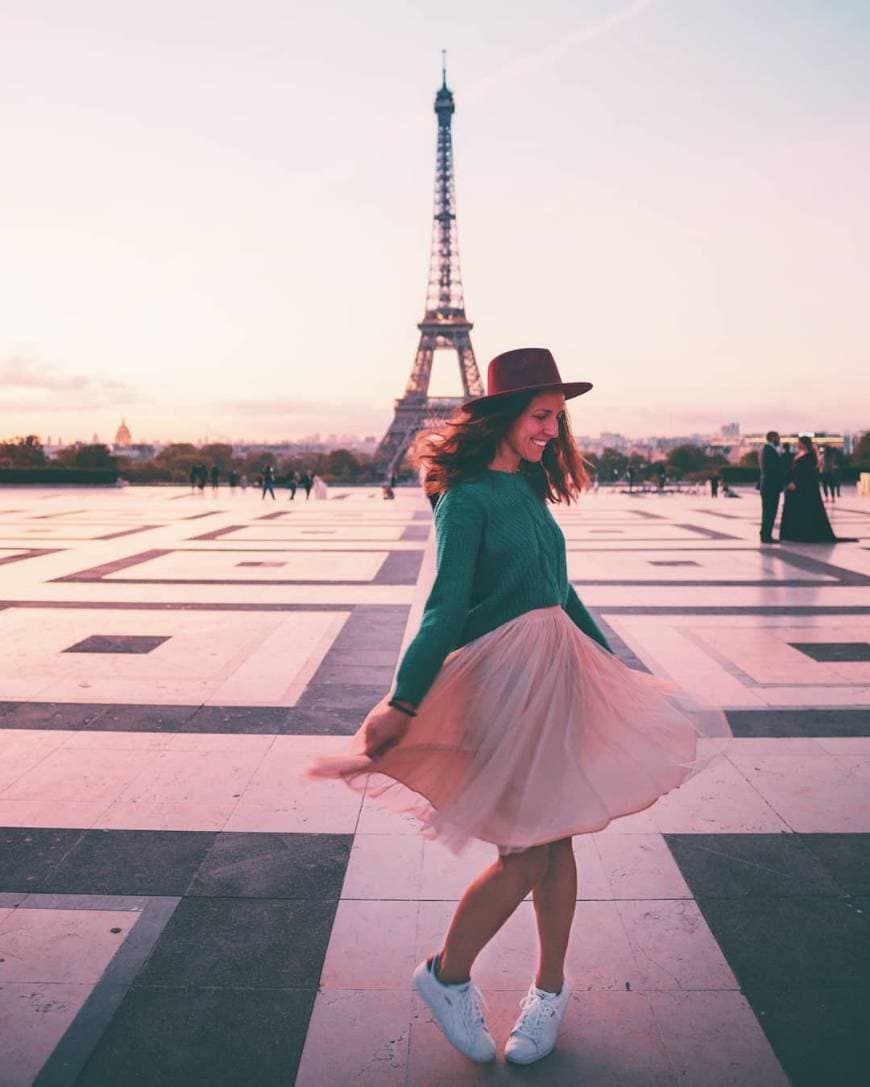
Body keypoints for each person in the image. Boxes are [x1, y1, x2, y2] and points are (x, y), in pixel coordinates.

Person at [307, 347, 724, 1067]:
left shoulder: (528, 490)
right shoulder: (466, 496)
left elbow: (559, 589)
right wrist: (404, 700)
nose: (550, 432)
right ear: (504, 414)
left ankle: (549, 991)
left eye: (557, 419)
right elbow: (444, 606)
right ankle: (446, 973)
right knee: (528, 850)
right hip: (503, 681)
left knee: (554, 839)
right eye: (540, 416)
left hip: (555, 671)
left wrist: (613, 663)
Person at [779, 435, 843, 543]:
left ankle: (802, 534)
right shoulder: (801, 455)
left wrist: (795, 482)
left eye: (798, 442)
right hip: (797, 487)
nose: (797, 444)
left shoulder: (810, 456)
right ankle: (795, 533)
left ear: (803, 443)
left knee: (804, 511)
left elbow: (806, 473)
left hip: (804, 487)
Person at [758, 431, 785, 543]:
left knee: (768, 511)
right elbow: (774, 470)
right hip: (770, 486)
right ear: (773, 438)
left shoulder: (766, 449)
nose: (779, 440)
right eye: (778, 437)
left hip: (767, 485)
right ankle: (766, 535)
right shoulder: (769, 450)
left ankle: (765, 533)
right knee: (770, 511)